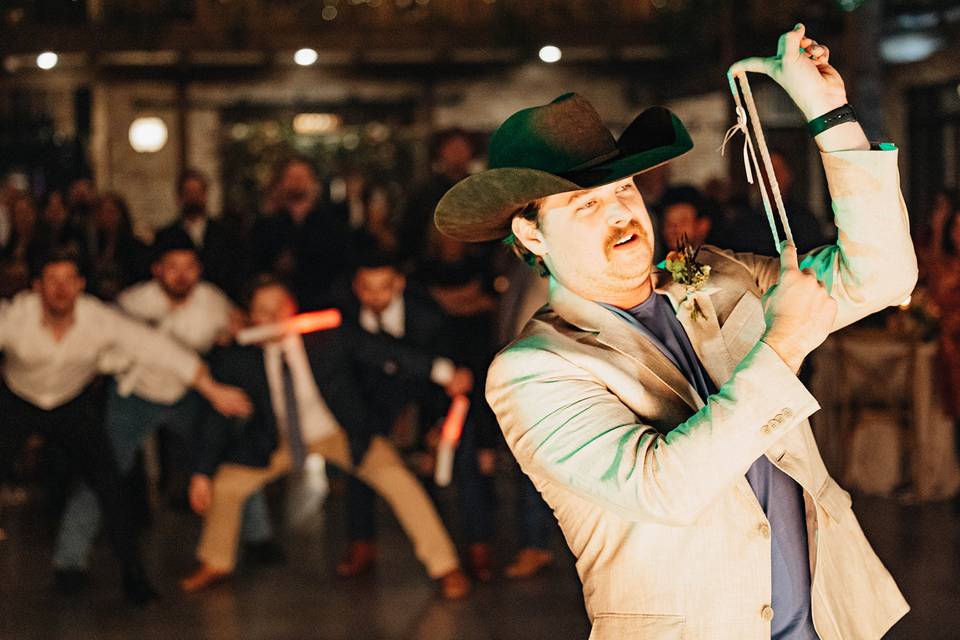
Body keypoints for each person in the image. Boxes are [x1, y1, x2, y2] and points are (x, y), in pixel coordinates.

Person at [435, 26, 915, 639]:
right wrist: (785, 343)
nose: (619, 212)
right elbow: (665, 488)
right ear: (531, 236)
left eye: (624, 188)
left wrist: (828, 113)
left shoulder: (719, 273)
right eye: (585, 205)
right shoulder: (533, 369)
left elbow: (881, 276)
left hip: (831, 620)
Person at [180, 276, 473, 599]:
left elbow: (383, 351)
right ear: (250, 317)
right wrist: (201, 472)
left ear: (293, 308)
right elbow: (218, 416)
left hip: (340, 432)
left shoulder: (328, 337)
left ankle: (446, 567)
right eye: (263, 310)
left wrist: (445, 372)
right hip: (279, 441)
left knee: (398, 479)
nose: (274, 316)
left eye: (280, 306)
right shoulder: (239, 358)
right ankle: (215, 563)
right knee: (227, 484)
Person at [0, 248, 250, 604]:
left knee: (109, 482)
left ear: (81, 285)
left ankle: (134, 578)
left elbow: (156, 348)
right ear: (37, 286)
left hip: (71, 404)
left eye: (69, 280)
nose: (61, 289)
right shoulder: (14, 318)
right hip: (17, 401)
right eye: (52, 281)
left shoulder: (99, 320)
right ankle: (68, 565)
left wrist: (211, 389)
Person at [50, 234, 274, 589]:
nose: (181, 276)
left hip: (190, 395)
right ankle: (69, 561)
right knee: (102, 469)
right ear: (157, 270)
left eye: (189, 268)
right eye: (172, 268)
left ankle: (260, 538)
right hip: (136, 396)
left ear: (198, 269)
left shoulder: (214, 302)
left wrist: (239, 333)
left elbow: (241, 335)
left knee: (229, 455)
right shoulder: (131, 304)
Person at [335, 253, 496, 581]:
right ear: (356, 287)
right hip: (372, 401)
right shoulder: (345, 316)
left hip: (428, 397)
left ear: (399, 284)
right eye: (367, 288)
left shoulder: (429, 316)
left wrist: (438, 429)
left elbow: (454, 378)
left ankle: (479, 546)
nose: (375, 296)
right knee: (358, 449)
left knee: (463, 451)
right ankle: (361, 543)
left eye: (384, 287)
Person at [251, 159, 353, 309]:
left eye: (302, 177)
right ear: (282, 183)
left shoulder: (334, 225)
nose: (296, 182)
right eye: (291, 177)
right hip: (278, 309)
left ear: (314, 183)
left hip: (323, 306)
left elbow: (342, 268)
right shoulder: (265, 226)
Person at [153, 169, 248, 302]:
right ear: (180, 197)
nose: (193, 197)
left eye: (197, 192)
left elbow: (237, 269)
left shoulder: (226, 232)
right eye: (188, 192)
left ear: (205, 195)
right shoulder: (166, 235)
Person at [86, 192, 148, 300]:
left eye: (111, 212)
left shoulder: (135, 247)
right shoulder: (90, 246)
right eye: (101, 212)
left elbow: (140, 278)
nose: (106, 217)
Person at [659, 185, 716, 252]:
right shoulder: (659, 261)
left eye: (683, 222)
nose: (674, 230)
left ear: (703, 225)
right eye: (668, 223)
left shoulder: (720, 261)